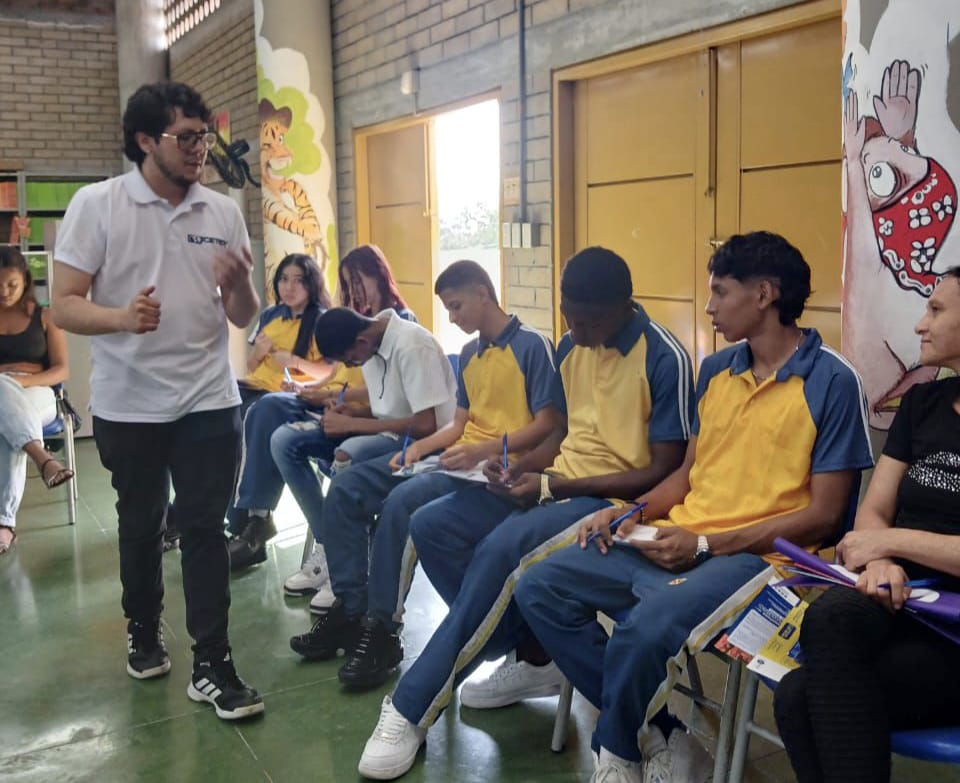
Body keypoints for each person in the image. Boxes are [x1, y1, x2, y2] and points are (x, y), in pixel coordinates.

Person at [513, 232, 875, 783]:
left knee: (643, 627)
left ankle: (617, 754)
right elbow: (686, 474)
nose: (708, 307)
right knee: (540, 585)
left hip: (764, 563)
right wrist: (631, 513)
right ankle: (658, 734)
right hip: (679, 537)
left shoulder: (833, 381)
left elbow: (824, 516)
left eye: (720, 292)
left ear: (764, 295)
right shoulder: (717, 369)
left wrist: (707, 544)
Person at [356, 246, 695, 780]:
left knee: (502, 550)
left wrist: (554, 486)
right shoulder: (571, 346)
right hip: (556, 483)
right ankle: (531, 649)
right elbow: (562, 436)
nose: (575, 331)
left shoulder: (662, 355)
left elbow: (664, 470)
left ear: (621, 306)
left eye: (588, 321)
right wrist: (519, 468)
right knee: (432, 525)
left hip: (608, 503)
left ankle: (411, 705)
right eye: (568, 317)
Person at [50, 80, 263, 720]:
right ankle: (143, 629)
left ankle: (213, 663)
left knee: (203, 528)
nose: (201, 148)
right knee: (142, 523)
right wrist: (121, 318)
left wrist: (241, 286)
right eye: (187, 137)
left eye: (205, 136)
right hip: (130, 405)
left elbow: (243, 315)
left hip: (209, 399)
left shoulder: (222, 212)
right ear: (146, 140)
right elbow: (63, 305)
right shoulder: (98, 205)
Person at [288, 260, 561, 688]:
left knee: (402, 504)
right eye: (447, 309)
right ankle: (351, 608)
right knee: (347, 486)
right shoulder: (470, 354)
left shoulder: (532, 344)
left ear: (483, 293)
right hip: (457, 458)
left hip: (495, 468)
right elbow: (456, 425)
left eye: (456, 306)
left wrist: (482, 450)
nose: (451, 318)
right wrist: (418, 448)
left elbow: (549, 425)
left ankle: (382, 629)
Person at [774, 266, 960, 783]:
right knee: (830, 620)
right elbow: (872, 511)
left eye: (936, 310)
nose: (920, 324)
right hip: (908, 599)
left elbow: (880, 530)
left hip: (952, 629)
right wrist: (879, 559)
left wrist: (888, 542)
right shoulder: (923, 404)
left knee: (797, 697)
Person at [228, 243, 414, 571]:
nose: (353, 290)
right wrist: (309, 389)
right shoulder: (285, 316)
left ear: (380, 277)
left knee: (272, 423)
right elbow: (336, 371)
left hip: (360, 412)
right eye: (347, 283)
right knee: (260, 410)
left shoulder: (397, 324)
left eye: (359, 281)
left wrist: (335, 396)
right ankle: (256, 518)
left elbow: (387, 392)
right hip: (326, 397)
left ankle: (325, 541)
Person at [268, 302, 458, 609]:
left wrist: (353, 424)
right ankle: (332, 547)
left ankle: (348, 566)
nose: (352, 365)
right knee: (284, 441)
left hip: (425, 443)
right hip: (388, 433)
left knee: (348, 454)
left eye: (350, 360)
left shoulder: (411, 345)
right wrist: (353, 412)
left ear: (361, 341)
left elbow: (426, 425)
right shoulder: (372, 342)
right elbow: (389, 407)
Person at [165, 252, 336, 551]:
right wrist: (258, 353)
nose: (289, 287)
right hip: (256, 387)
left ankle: (250, 518)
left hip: (294, 396)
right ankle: (190, 506)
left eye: (298, 280)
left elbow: (331, 371)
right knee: (213, 414)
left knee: (249, 420)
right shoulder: (270, 315)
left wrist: (295, 362)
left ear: (312, 284)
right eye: (284, 279)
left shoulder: (322, 320)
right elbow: (252, 366)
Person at [0, 246, 72, 554]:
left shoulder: (45, 316)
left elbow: (62, 369)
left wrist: (21, 380)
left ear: (26, 281)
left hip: (39, 393)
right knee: (4, 418)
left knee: (6, 425)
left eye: (11, 284)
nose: (4, 292)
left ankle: (5, 524)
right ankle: (42, 458)